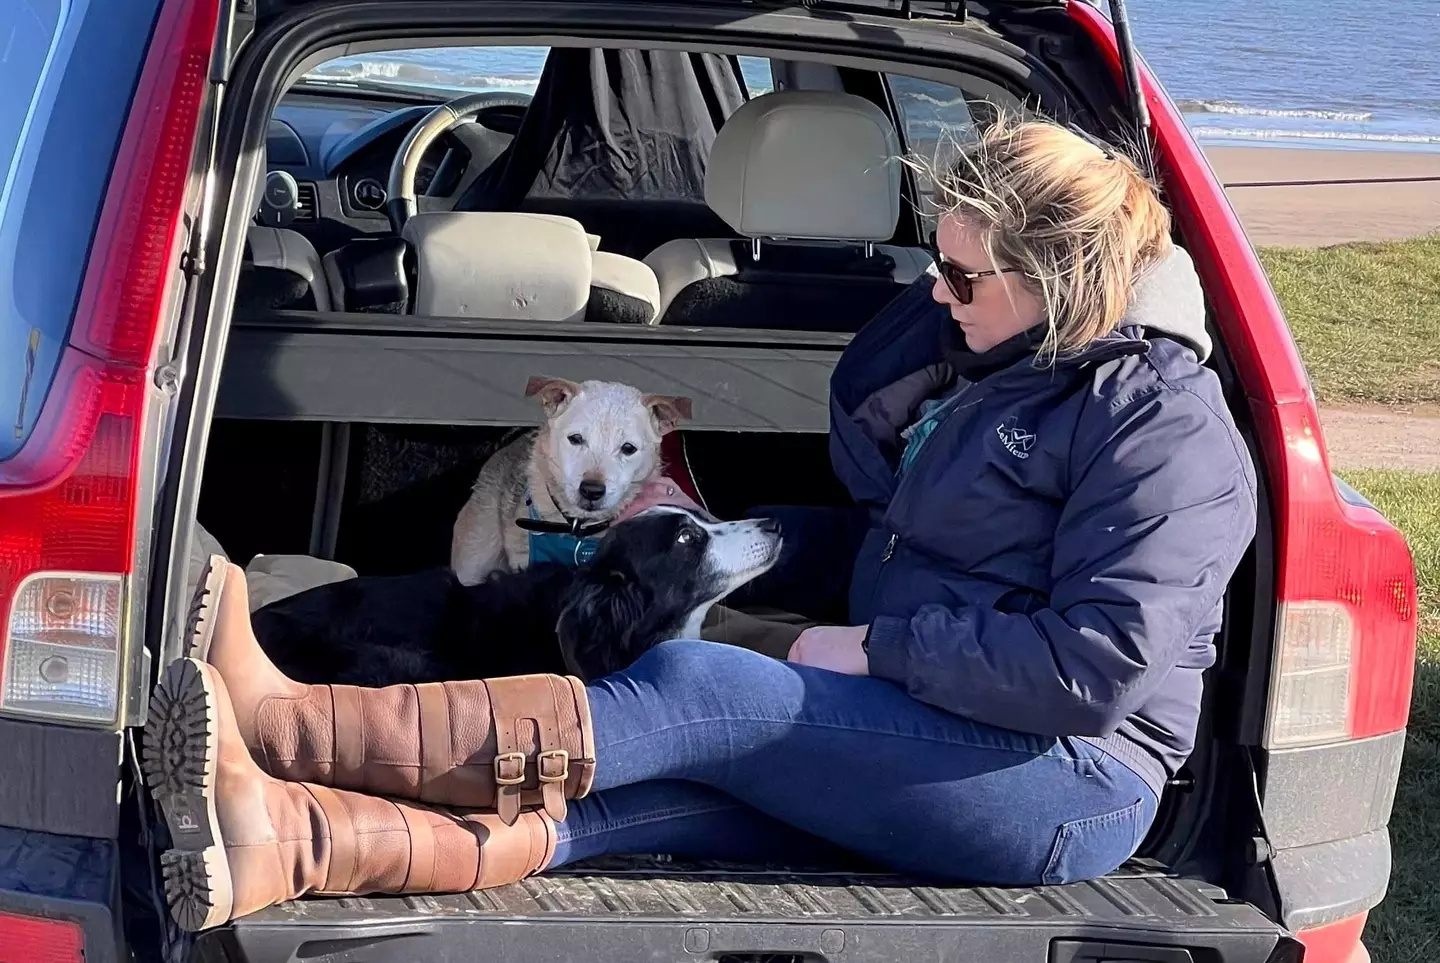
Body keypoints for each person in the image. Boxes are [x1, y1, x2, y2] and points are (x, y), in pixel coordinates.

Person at [148, 113, 1257, 931]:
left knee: (697, 687)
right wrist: (734, 536)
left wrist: (872, 647)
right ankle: (292, 841)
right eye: (936, 265)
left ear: (1059, 278)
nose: (936, 294)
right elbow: (903, 547)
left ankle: (292, 727)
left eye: (963, 278)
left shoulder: (1163, 427)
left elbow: (1093, 668)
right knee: (643, 792)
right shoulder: (992, 368)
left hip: (1065, 777)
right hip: (933, 724)